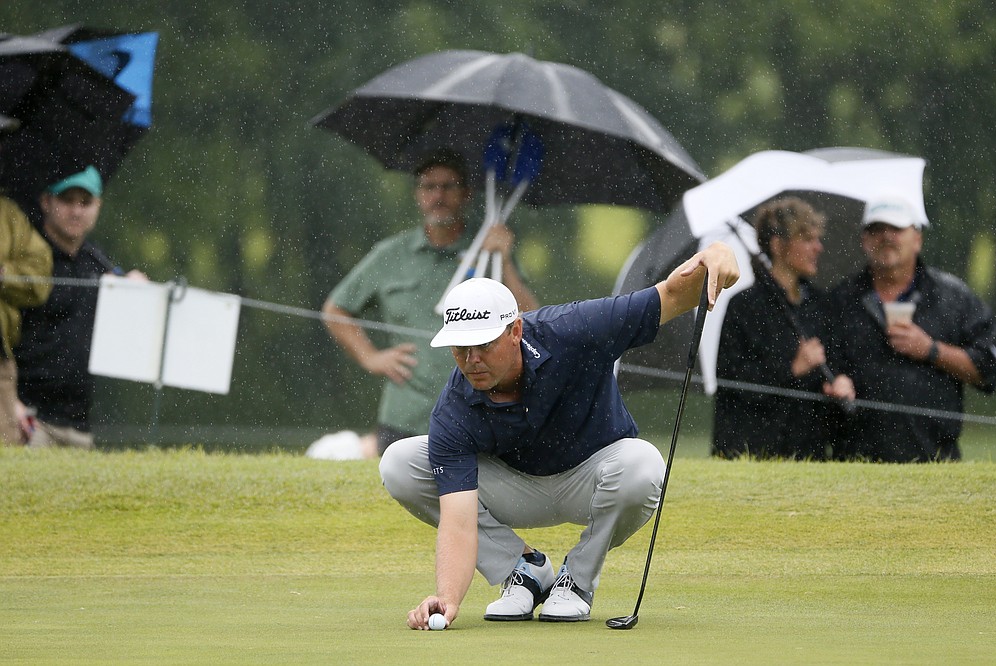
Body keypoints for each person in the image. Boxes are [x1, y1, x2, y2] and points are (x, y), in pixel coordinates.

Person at [379, 241, 740, 630]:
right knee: (401, 463)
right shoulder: (454, 405)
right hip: (514, 490)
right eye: (460, 349)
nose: (472, 361)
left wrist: (718, 253)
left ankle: (577, 580)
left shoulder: (574, 328)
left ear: (515, 330)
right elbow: (459, 520)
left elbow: (671, 295)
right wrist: (447, 597)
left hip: (595, 480)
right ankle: (524, 570)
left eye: (483, 344)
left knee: (644, 464)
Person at [323, 150, 538, 458]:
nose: (438, 195)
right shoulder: (390, 254)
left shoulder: (490, 251)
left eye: (448, 186)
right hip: (405, 415)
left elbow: (529, 319)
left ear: (466, 193)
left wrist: (504, 260)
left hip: (476, 412)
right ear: (417, 195)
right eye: (428, 187)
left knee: (469, 501)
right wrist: (371, 357)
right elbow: (335, 310)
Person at [827, 193, 996, 462]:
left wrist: (931, 350)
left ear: (917, 238)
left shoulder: (953, 297)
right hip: (855, 465)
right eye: (876, 229)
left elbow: (988, 369)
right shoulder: (840, 299)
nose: (886, 236)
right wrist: (835, 379)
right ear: (864, 240)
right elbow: (823, 366)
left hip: (935, 462)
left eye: (896, 228)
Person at [712, 197, 854, 460]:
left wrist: (839, 382)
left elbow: (835, 363)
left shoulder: (821, 305)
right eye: (807, 239)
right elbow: (732, 381)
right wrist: (792, 369)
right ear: (778, 245)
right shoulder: (744, 307)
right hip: (754, 453)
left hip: (808, 454)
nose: (818, 247)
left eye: (817, 239)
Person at [15, 166, 145, 450]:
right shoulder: (26, 258)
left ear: (98, 206)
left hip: (79, 424)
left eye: (85, 203)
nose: (76, 211)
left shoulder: (98, 263)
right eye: (66, 200)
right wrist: (8, 404)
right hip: (27, 420)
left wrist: (134, 290)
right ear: (46, 202)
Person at [0, 192, 53, 445]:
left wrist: (4, 273)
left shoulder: (8, 214)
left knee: (6, 455)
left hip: (0, 357)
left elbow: (40, 273)